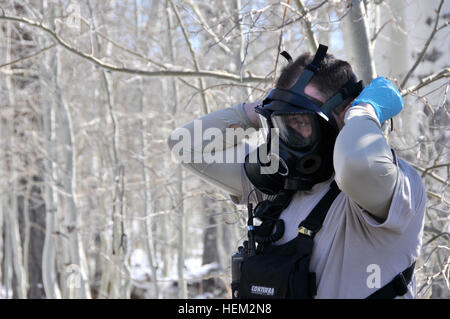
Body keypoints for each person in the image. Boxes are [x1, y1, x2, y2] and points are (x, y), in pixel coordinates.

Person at [167, 45, 426, 299]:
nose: (286, 139)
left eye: (300, 122)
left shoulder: (385, 188)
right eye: (279, 123)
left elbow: (356, 164)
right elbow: (184, 144)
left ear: (344, 115)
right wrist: (258, 111)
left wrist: (365, 111)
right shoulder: (279, 184)